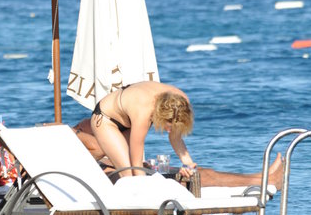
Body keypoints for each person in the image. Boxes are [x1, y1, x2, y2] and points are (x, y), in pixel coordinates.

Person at [75, 115, 284, 190]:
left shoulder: (83, 132)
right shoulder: (78, 133)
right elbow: (101, 153)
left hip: (130, 178)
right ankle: (264, 180)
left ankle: (261, 178)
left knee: (199, 174)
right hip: (127, 184)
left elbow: (106, 157)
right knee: (199, 178)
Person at [90, 81, 196, 179]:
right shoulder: (144, 112)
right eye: (168, 127)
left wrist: (188, 164)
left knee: (133, 166)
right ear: (160, 115)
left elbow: (175, 138)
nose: (169, 131)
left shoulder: (181, 104)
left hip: (128, 117)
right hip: (106, 119)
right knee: (129, 174)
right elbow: (136, 166)